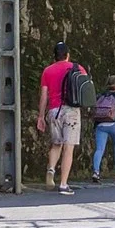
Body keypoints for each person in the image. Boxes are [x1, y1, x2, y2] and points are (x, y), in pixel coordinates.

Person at [36, 39, 84, 194]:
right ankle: (63, 184)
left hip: (54, 111)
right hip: (71, 111)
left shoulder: (47, 71)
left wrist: (41, 116)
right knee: (68, 147)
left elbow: (44, 96)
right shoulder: (78, 68)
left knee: (56, 144)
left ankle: (51, 169)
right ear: (67, 55)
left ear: (54, 56)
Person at [90, 76, 115, 184]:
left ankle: (96, 172)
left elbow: (93, 108)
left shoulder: (100, 95)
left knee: (99, 149)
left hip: (101, 125)